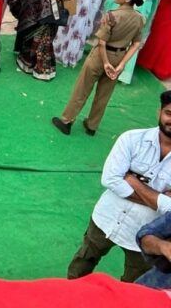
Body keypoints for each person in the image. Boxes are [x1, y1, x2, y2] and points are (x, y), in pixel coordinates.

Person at [66, 91, 171, 283]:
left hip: (146, 235)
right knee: (81, 265)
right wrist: (158, 199)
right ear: (159, 112)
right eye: (169, 113)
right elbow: (110, 179)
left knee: (133, 287)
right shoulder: (131, 139)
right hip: (106, 218)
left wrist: (133, 180)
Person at [52, 0, 146, 136]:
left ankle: (66, 121)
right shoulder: (140, 19)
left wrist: (106, 62)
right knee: (104, 94)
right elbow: (136, 44)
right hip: (119, 57)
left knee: (82, 89)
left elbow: (101, 43)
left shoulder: (111, 15)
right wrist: (121, 64)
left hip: (101, 57)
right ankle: (92, 126)